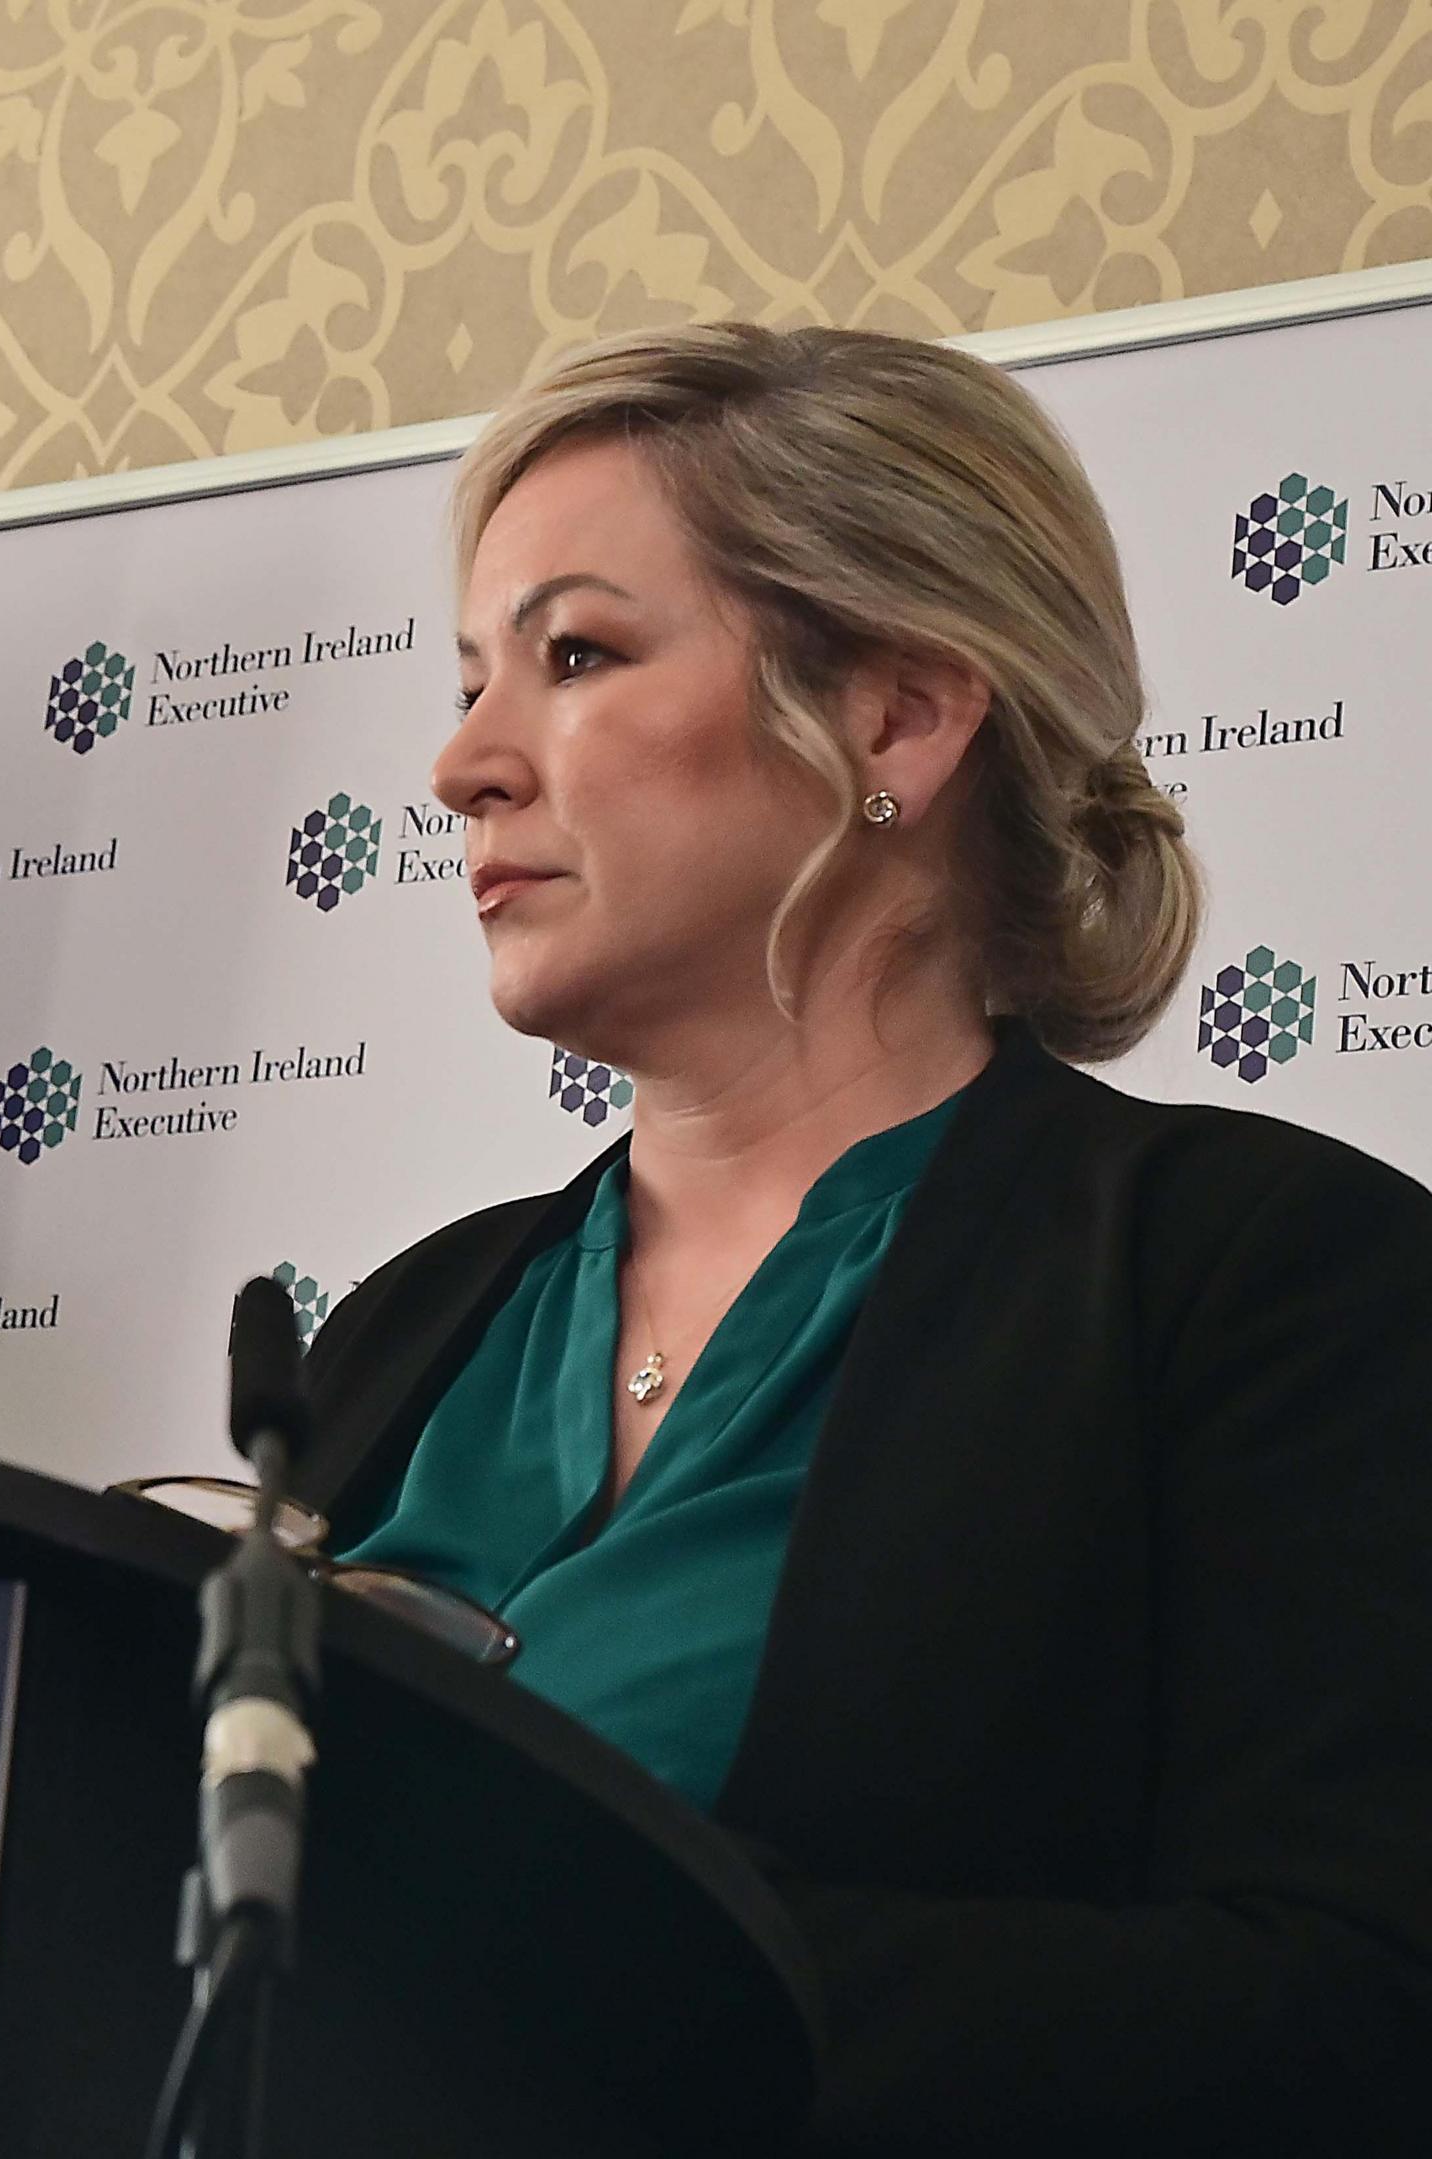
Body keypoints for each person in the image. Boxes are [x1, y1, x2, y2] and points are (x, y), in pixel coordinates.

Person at [296, 323, 1432, 2149]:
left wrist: (592, 1966)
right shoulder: (403, 1325)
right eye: (467, 678)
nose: (462, 764)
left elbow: (1355, 2010)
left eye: (575, 655)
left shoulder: (1265, 1277)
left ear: (898, 716)